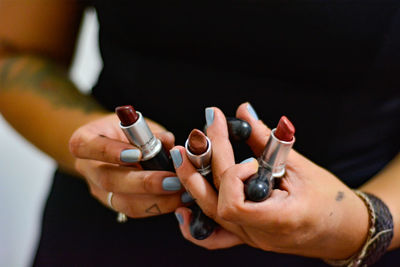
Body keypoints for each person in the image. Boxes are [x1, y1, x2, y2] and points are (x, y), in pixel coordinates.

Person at [0, 0, 399, 266]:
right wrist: (86, 147)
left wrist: (363, 221)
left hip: (356, 223)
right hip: (111, 223)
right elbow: (15, 53)